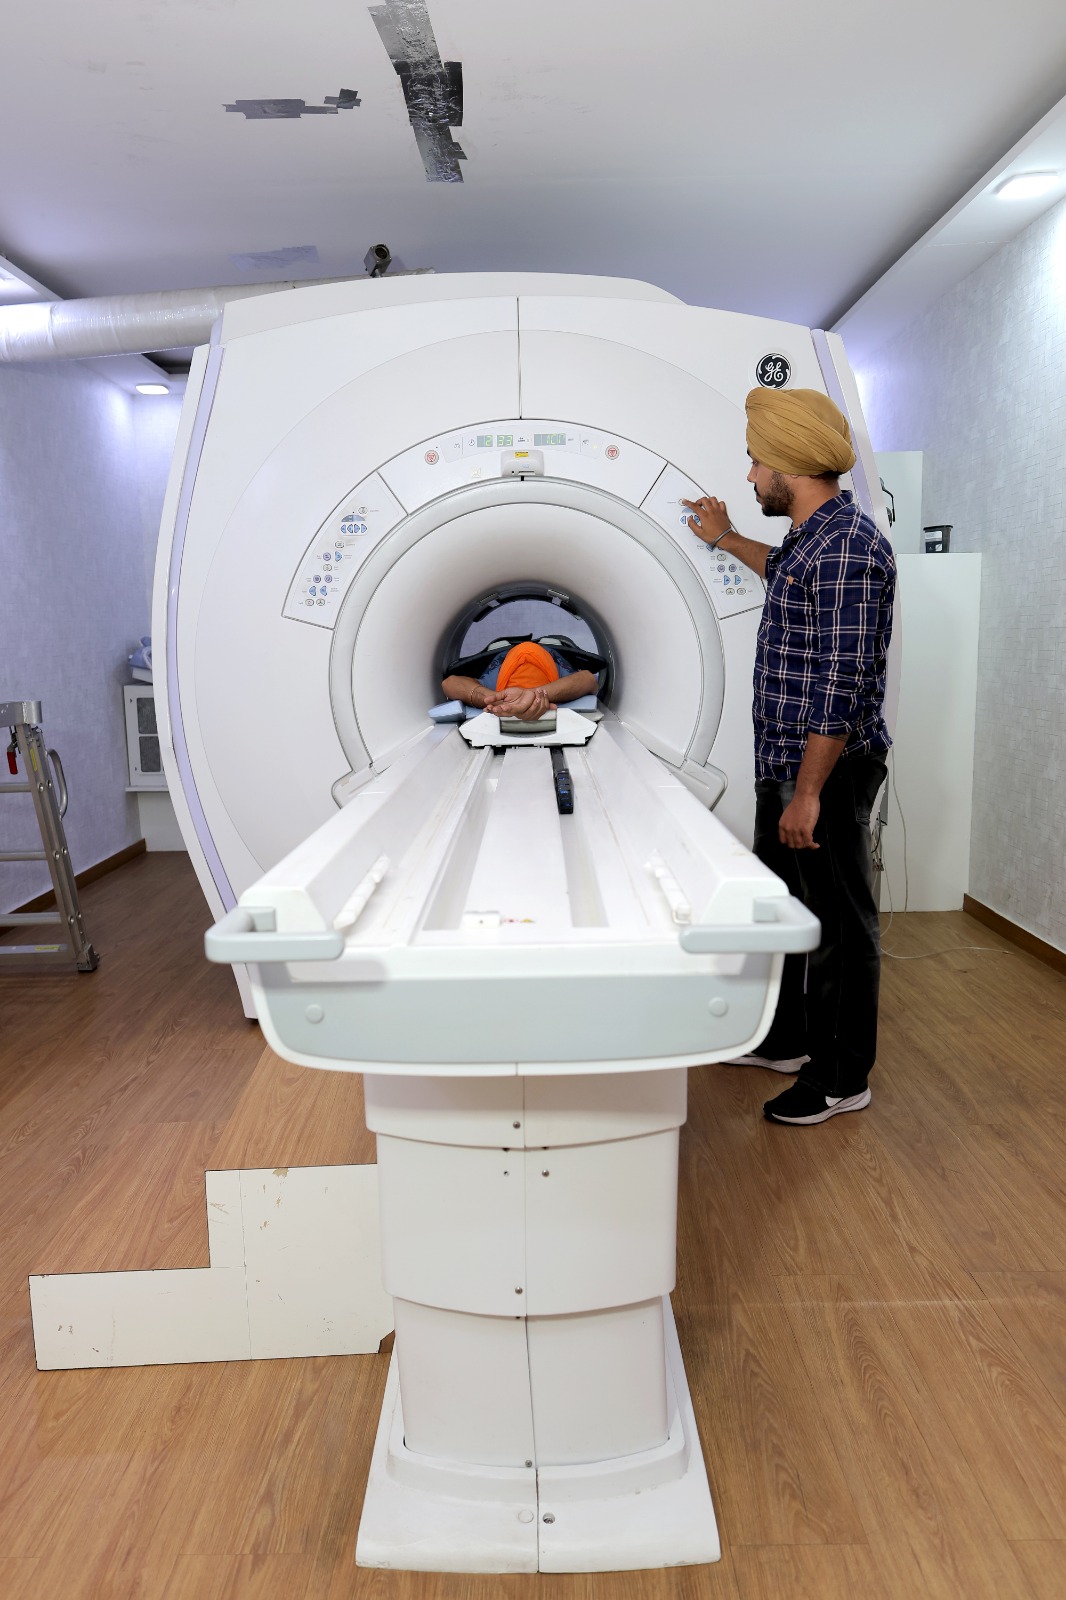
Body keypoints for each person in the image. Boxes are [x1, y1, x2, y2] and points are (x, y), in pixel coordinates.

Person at [682, 387, 895, 1127]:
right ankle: (789, 1039)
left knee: (839, 924)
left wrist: (807, 796)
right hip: (789, 762)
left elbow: (839, 688)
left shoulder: (851, 548)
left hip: (825, 772)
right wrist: (726, 537)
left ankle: (841, 1078)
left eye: (755, 460)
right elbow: (786, 572)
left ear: (791, 463)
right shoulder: (814, 540)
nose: (749, 475)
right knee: (788, 909)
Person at [442, 640, 599, 723]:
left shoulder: (492, 682)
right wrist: (493, 699)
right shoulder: (494, 680)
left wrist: (533, 695)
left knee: (553, 642)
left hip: (551, 652)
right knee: (499, 646)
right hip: (503, 655)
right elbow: (449, 683)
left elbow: (589, 679)